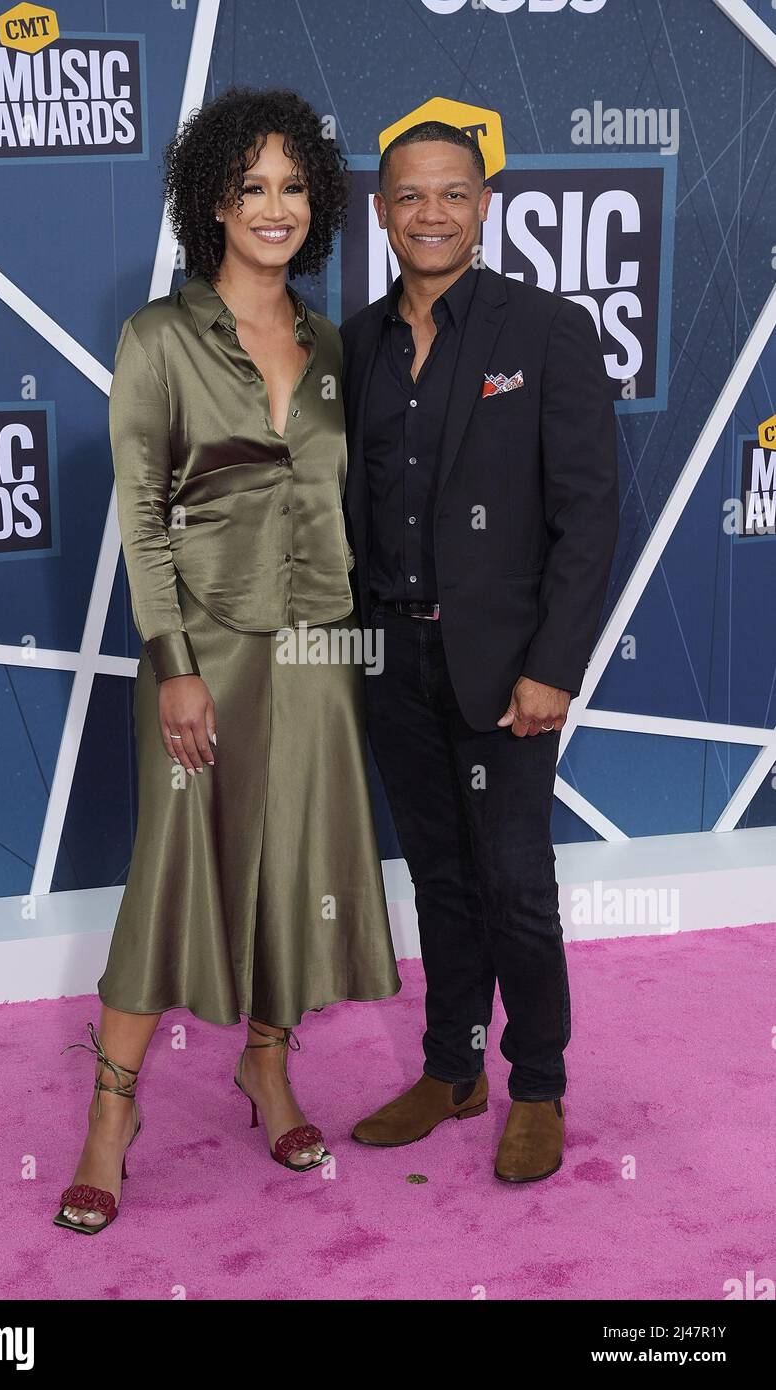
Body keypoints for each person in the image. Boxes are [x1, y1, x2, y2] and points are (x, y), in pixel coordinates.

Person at [54, 87, 400, 1233]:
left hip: (315, 645)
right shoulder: (160, 337)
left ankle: (266, 1065)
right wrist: (175, 663)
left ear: (319, 201)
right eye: (250, 186)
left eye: (292, 185)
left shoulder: (331, 342)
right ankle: (111, 1117)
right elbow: (140, 512)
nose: (274, 206)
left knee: (295, 863)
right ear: (211, 201)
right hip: (202, 648)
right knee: (174, 874)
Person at [340, 120, 619, 1182]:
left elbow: (587, 511)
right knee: (440, 875)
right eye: (409, 196)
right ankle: (450, 1069)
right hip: (391, 661)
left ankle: (535, 1084)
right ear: (380, 210)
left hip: (506, 668)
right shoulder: (357, 341)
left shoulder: (545, 329)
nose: (430, 214)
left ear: (483, 204)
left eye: (451, 193)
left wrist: (552, 664)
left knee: (513, 879)